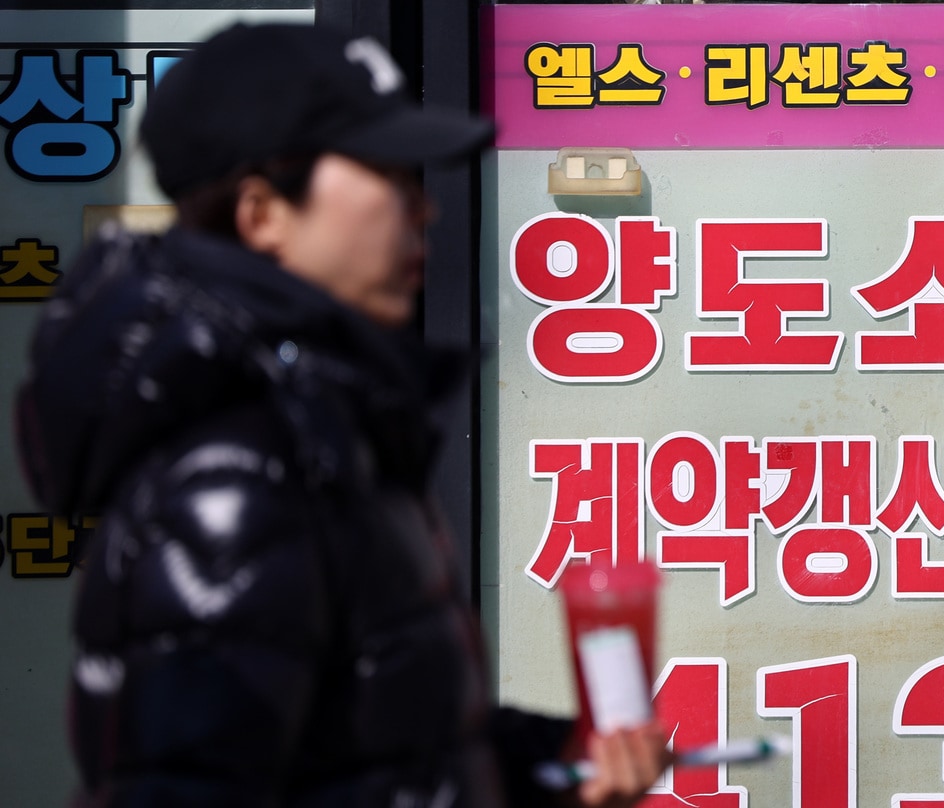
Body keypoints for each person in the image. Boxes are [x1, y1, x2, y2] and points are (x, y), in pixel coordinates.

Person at [13, 22, 669, 808]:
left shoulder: (319, 427)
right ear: (261, 213)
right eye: (388, 174)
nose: (424, 208)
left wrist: (551, 767)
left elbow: (373, 748)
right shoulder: (233, 479)